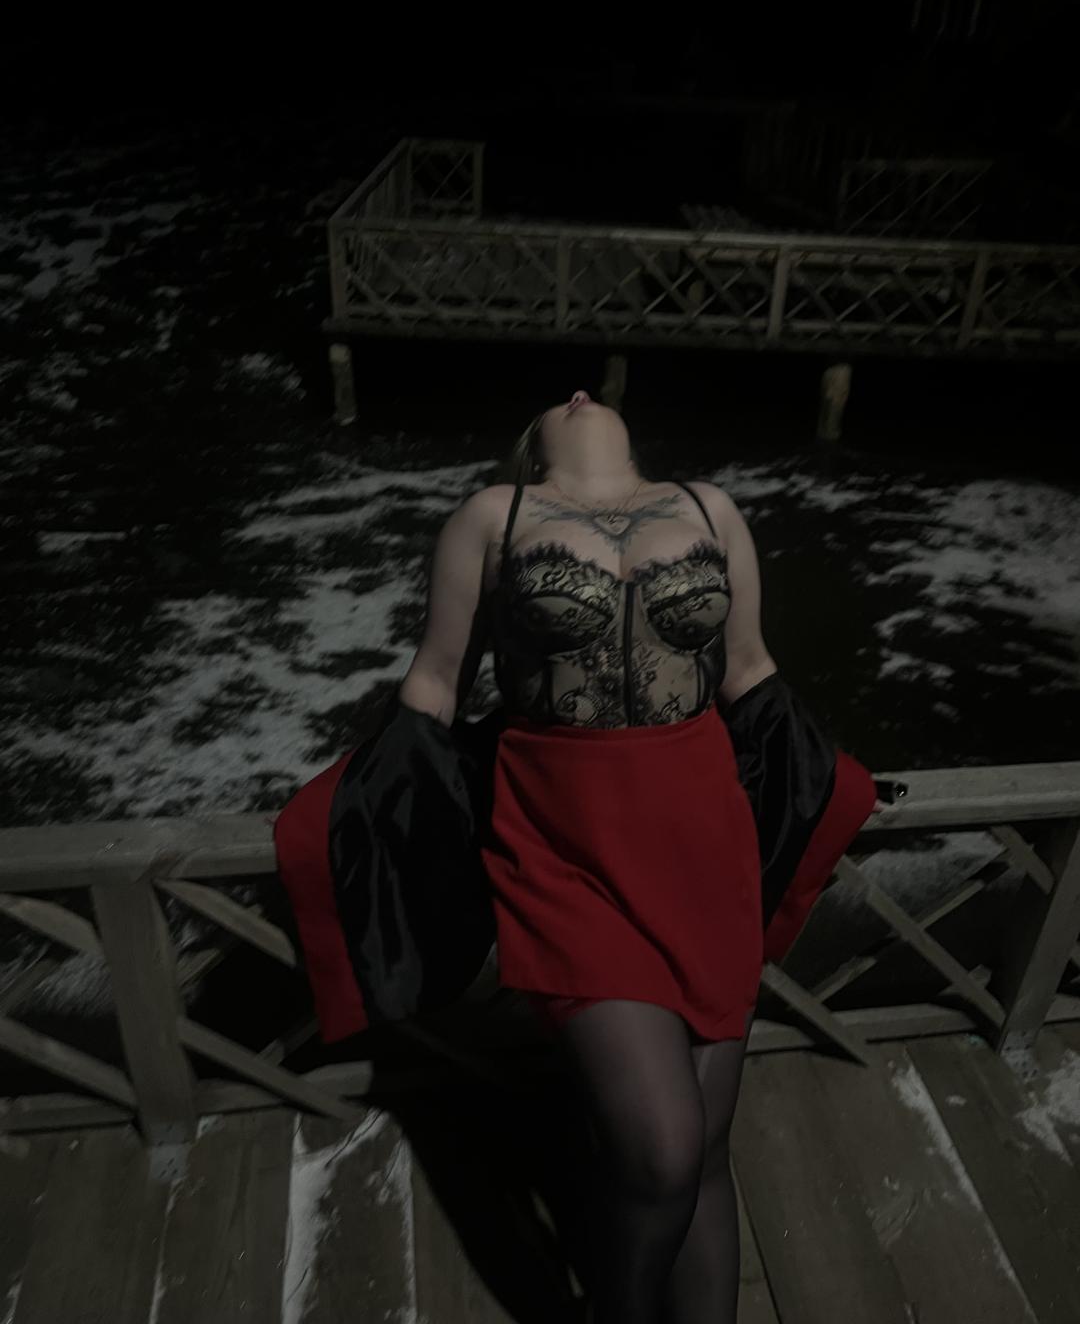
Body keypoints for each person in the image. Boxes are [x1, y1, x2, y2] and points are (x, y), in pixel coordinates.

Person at [274, 387, 885, 1324]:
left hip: (704, 849)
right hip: (564, 851)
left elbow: (748, 667)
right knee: (663, 1148)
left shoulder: (710, 507)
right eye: (558, 400)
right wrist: (349, 816)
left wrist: (843, 781)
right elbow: (436, 681)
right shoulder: (493, 516)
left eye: (591, 391)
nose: (580, 391)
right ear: (535, 448)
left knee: (704, 1148)